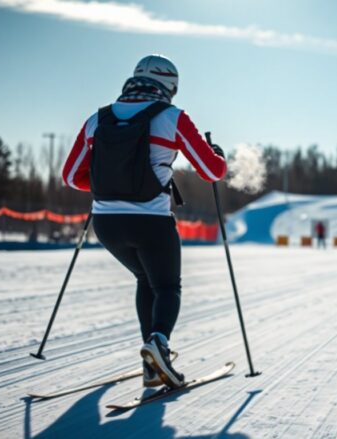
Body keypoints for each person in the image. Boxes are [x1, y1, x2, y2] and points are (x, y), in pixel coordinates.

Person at [61, 55, 227, 389]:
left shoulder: (97, 119)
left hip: (107, 224)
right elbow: (212, 171)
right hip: (151, 222)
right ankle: (158, 347)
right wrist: (219, 155)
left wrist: (112, 184)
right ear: (170, 86)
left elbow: (70, 176)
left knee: (144, 278)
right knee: (166, 287)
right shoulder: (173, 117)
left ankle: (153, 359)